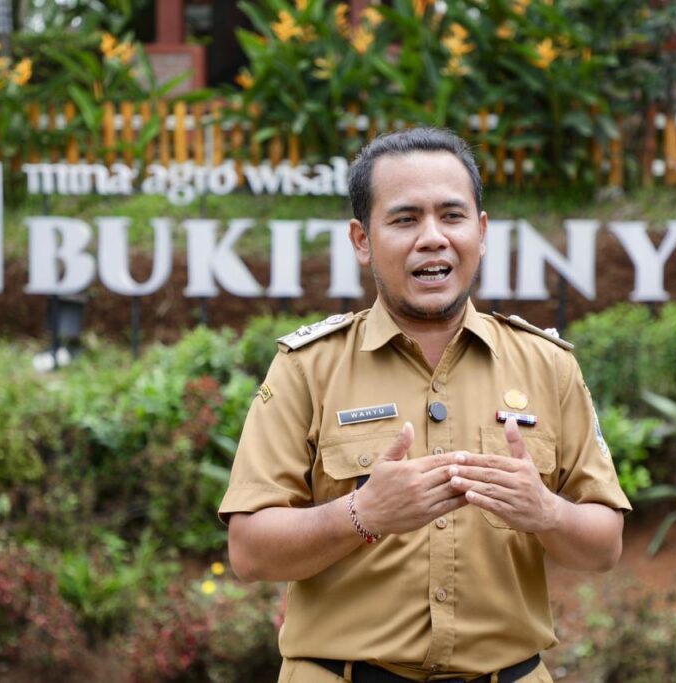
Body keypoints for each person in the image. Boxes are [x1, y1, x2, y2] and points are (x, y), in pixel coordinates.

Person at [220, 127, 631, 683]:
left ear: (481, 232)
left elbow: (604, 545)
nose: (433, 238)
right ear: (362, 239)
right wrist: (361, 514)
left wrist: (547, 512)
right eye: (405, 219)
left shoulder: (547, 365)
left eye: (452, 216)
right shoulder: (308, 369)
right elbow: (249, 552)